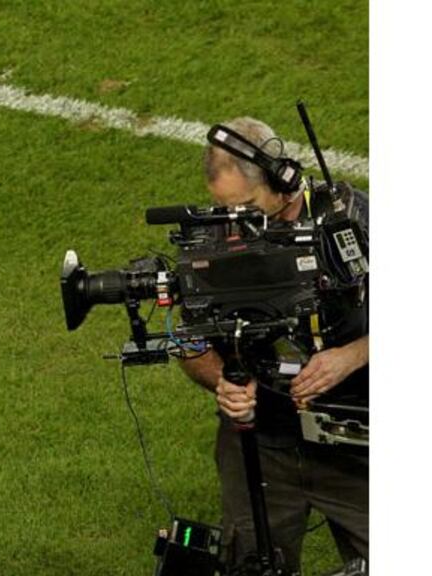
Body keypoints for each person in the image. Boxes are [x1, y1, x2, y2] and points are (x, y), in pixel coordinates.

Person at [179, 117, 369, 573]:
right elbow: (190, 341)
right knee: (252, 563)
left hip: (357, 440)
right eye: (224, 208)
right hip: (260, 444)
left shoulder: (354, 220)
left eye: (246, 206)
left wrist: (353, 354)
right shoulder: (215, 235)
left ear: (282, 179)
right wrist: (222, 379)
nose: (236, 223)